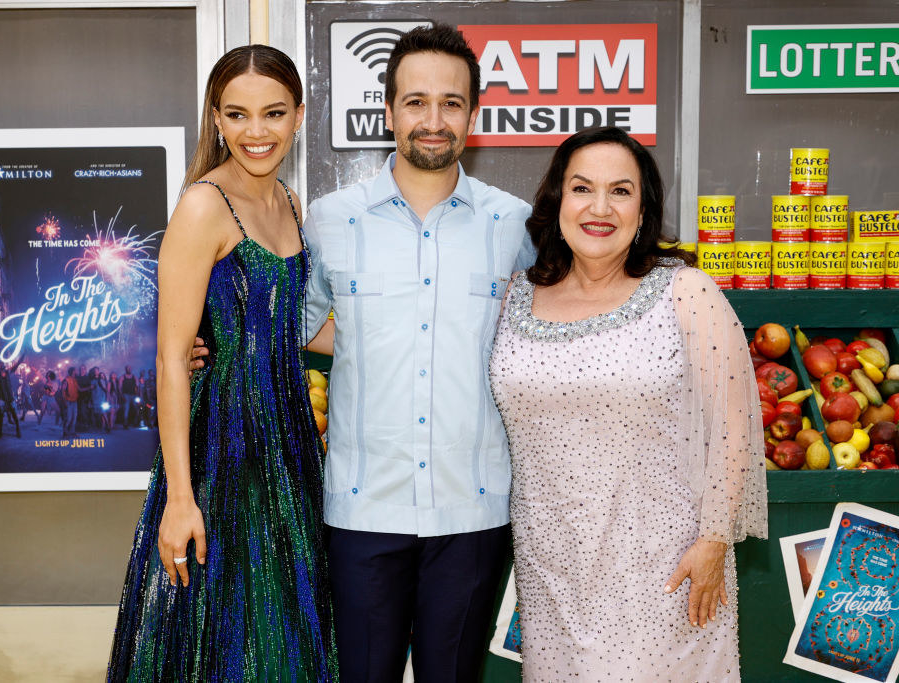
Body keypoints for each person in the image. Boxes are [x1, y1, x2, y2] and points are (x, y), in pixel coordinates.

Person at [488, 126, 768, 681]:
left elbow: (735, 428)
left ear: (643, 212)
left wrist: (713, 542)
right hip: (549, 572)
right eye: (582, 188)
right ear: (558, 202)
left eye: (620, 191)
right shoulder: (514, 296)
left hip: (664, 568)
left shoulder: (686, 292)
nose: (600, 207)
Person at [304, 24, 534, 682]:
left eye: (451, 103)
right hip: (361, 509)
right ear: (388, 111)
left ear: (474, 116)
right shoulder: (330, 219)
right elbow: (297, 323)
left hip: (474, 508)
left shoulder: (514, 224)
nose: (433, 120)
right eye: (415, 102)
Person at [108, 44, 337, 681]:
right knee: (223, 640)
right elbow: (173, 360)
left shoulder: (291, 204)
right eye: (237, 115)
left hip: (289, 449)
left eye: (272, 113)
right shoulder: (203, 206)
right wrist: (181, 498)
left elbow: (295, 329)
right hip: (221, 456)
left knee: (286, 631)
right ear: (215, 117)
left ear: (298, 114)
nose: (255, 132)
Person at [60, 366, 79, 438]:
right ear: (73, 371)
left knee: (74, 418)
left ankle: (72, 432)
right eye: (75, 370)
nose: (77, 371)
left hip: (75, 401)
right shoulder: (66, 380)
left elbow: (79, 389)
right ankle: (65, 433)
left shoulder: (75, 380)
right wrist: (65, 401)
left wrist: (89, 388)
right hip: (69, 401)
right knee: (69, 418)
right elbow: (63, 391)